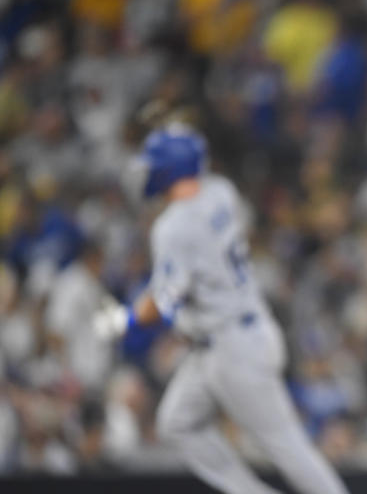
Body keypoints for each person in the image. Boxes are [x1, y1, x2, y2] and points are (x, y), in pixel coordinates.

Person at [94, 125, 349, 494]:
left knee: (286, 446)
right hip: (231, 335)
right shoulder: (221, 193)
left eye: (156, 163)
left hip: (233, 347)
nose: (148, 170)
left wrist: (121, 320)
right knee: (176, 423)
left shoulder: (173, 226)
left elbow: (162, 307)